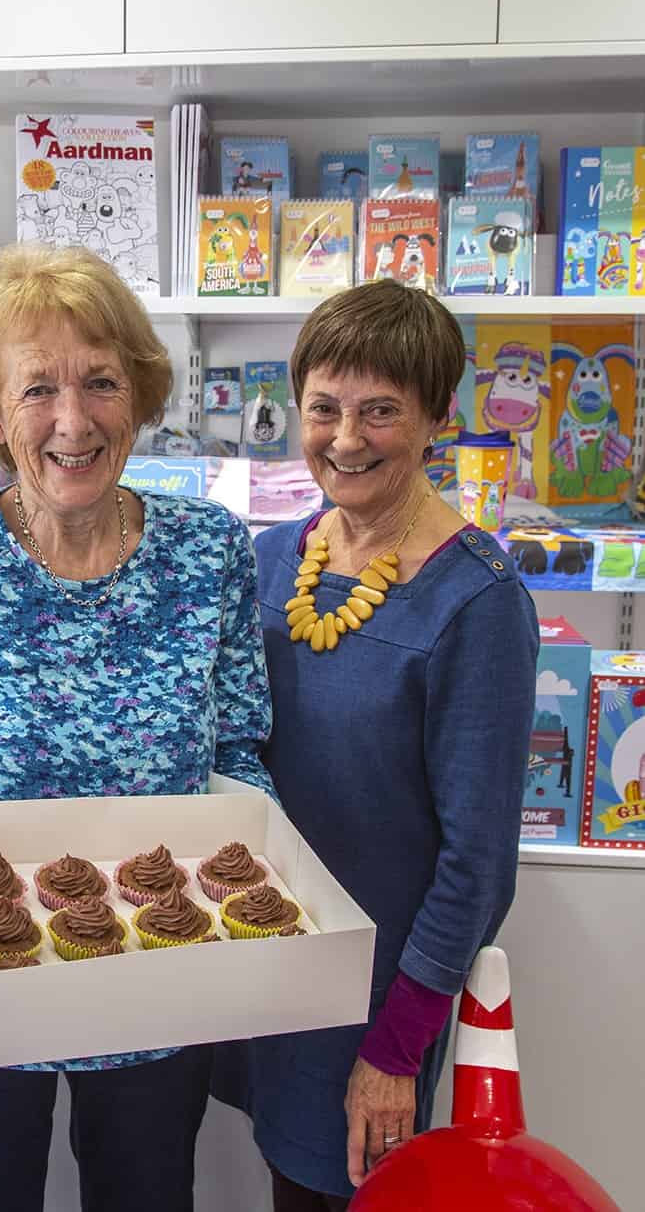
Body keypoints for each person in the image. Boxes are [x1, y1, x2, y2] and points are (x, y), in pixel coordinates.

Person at [0, 243, 275, 1212]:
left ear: (140, 394)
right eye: (37, 389)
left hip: (157, 982)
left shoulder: (206, 552)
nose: (72, 420)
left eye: (100, 383)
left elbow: (240, 750)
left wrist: (257, 871)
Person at [212, 279, 538, 1209]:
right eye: (323, 408)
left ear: (437, 418)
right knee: (279, 1178)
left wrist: (396, 1048)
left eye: (380, 411)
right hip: (262, 963)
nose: (345, 438)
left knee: (338, 1189)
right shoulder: (275, 559)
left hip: (375, 999)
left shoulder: (476, 602)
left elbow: (477, 864)